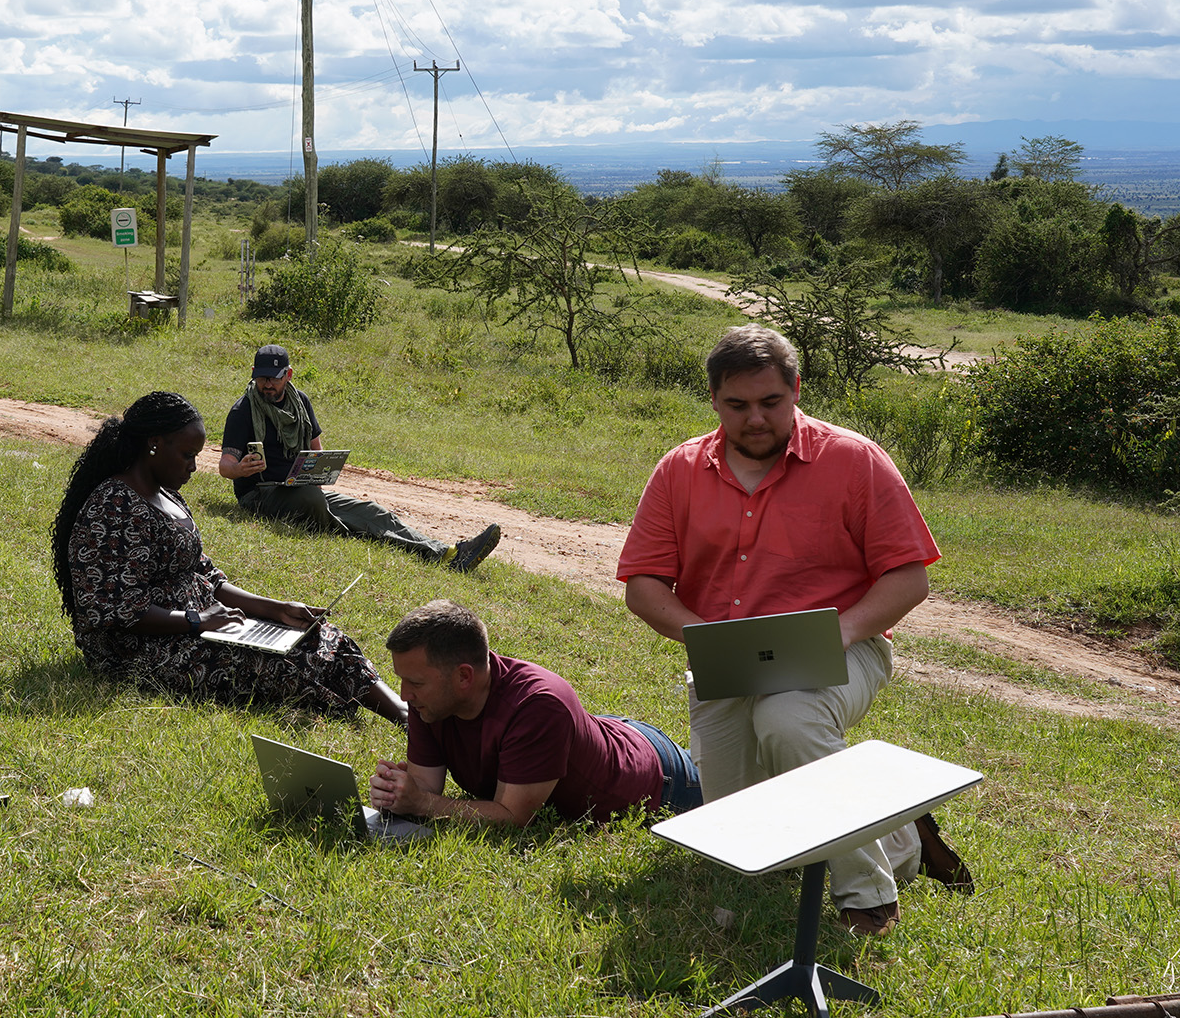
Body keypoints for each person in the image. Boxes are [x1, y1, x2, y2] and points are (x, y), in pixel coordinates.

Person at [617, 324, 973, 936]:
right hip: (725, 658)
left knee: (788, 720)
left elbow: (909, 579)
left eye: (770, 403)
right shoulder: (679, 470)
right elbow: (644, 585)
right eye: (737, 406)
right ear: (714, 401)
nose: (755, 419)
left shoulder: (853, 460)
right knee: (737, 798)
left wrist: (844, 629)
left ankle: (867, 898)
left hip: (843, 648)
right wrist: (702, 636)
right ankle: (901, 834)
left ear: (796, 390)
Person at [52, 390, 408, 723]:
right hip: (136, 648)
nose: (193, 467)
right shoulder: (112, 508)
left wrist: (276, 608)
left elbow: (205, 576)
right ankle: (360, 707)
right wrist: (195, 621)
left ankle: (407, 716)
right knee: (280, 662)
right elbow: (115, 609)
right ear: (154, 445)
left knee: (316, 635)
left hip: (200, 626)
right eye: (187, 455)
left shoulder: (168, 497)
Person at [367, 599, 701, 826]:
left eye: (414, 683)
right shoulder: (431, 701)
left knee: (744, 800)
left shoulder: (538, 705)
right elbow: (426, 786)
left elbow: (512, 817)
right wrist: (400, 793)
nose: (404, 695)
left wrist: (422, 805)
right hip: (600, 736)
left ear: (464, 676)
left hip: (664, 780)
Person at [216, 344, 502, 571]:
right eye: (262, 377)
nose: (268, 385)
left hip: (302, 488)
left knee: (374, 511)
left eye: (274, 379)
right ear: (253, 373)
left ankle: (449, 554)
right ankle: (362, 532)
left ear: (288, 375)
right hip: (261, 494)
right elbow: (225, 466)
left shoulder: (300, 401)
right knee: (313, 501)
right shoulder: (243, 410)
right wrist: (240, 469)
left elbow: (316, 448)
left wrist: (318, 473)